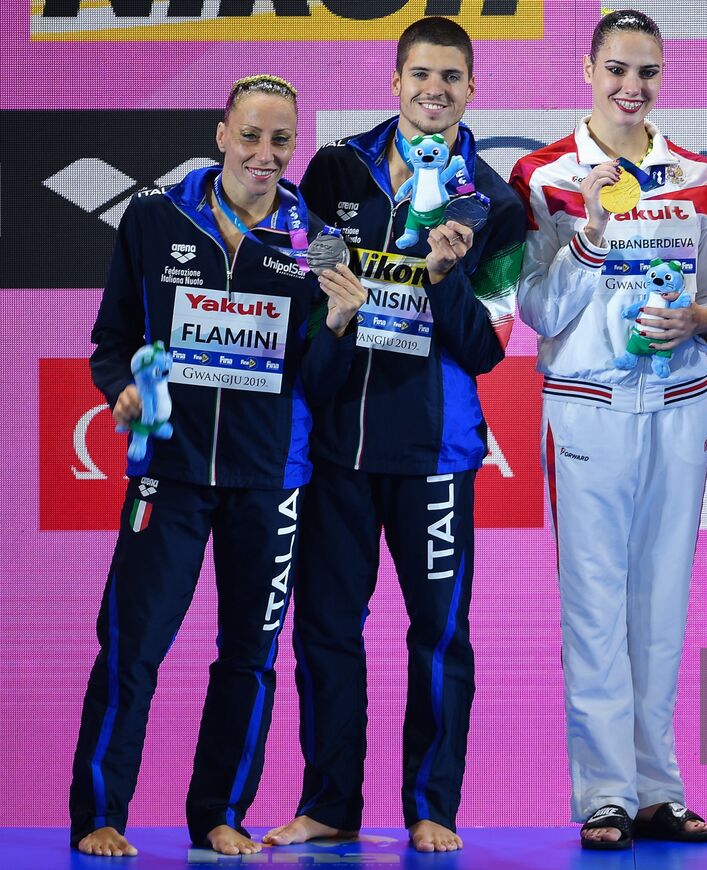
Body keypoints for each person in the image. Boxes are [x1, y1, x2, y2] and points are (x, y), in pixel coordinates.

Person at [70, 74, 365, 858]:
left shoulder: (318, 240)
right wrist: (123, 390)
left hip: (271, 479)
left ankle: (218, 814)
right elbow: (113, 340)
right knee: (132, 645)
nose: (265, 155)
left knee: (249, 656)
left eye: (280, 140)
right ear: (221, 134)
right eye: (251, 136)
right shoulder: (153, 215)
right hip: (169, 472)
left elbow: (324, 384)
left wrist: (338, 322)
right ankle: (101, 815)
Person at [262, 17, 525, 854]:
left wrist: (444, 279)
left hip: (435, 455)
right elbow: (307, 305)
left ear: (472, 88)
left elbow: (487, 346)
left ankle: (431, 807)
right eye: (419, 74)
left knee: (440, 637)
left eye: (450, 76)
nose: (433, 90)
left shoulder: (497, 202)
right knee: (326, 630)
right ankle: (331, 803)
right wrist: (337, 318)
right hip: (336, 447)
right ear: (395, 80)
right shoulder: (334, 168)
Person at [509, 9, 707, 851]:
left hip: (679, 408)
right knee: (595, 608)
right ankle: (605, 793)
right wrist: (590, 238)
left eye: (648, 74)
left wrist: (701, 317)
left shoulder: (698, 174)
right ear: (588, 70)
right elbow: (534, 310)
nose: (632, 89)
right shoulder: (543, 175)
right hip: (587, 409)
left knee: (662, 606)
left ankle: (657, 790)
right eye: (617, 71)